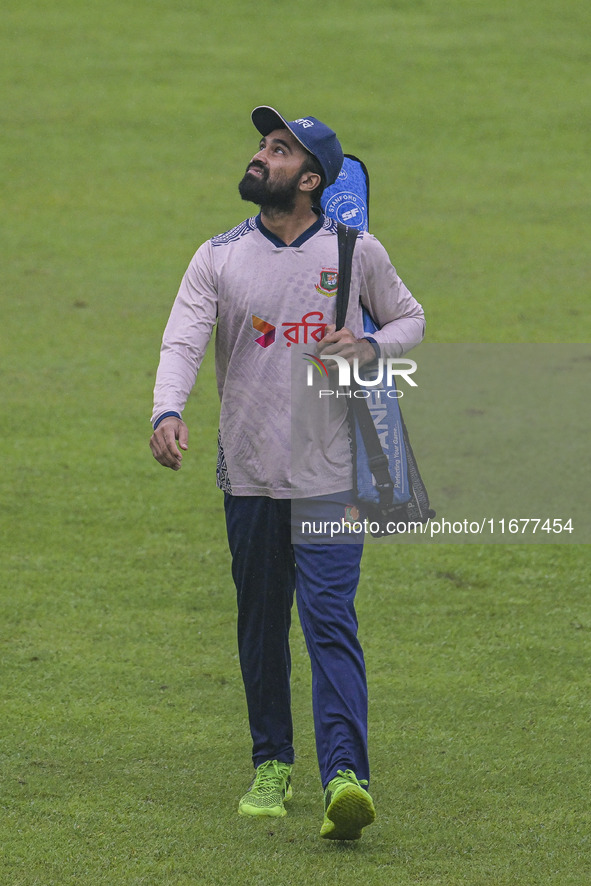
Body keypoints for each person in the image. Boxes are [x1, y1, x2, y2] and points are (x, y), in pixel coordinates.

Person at [150, 106, 425, 840]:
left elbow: (409, 320)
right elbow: (182, 339)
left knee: (329, 622)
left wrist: (368, 349)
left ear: (308, 180)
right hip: (248, 472)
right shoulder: (218, 255)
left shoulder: (355, 251)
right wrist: (166, 410)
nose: (258, 155)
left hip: (331, 471)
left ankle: (345, 775)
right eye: (262, 145)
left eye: (277, 150)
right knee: (262, 627)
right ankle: (272, 762)